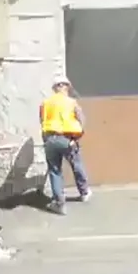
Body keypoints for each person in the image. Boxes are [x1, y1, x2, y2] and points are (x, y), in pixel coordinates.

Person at [39, 75, 91, 213]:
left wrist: (46, 140)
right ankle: (84, 192)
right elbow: (81, 120)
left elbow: (42, 121)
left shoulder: (45, 103)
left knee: (55, 171)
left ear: (54, 88)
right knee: (76, 164)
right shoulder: (71, 102)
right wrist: (76, 138)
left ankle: (59, 203)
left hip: (50, 139)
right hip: (68, 139)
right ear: (66, 87)